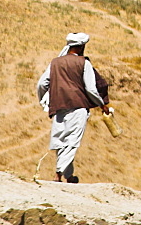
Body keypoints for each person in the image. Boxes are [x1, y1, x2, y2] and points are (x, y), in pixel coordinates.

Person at [36, 32, 109, 183]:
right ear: (82, 47)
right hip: (78, 106)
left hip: (59, 106)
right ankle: (58, 174)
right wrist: (102, 104)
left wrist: (44, 100)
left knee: (60, 140)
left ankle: (69, 176)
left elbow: (42, 84)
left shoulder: (55, 62)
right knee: (72, 141)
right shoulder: (84, 63)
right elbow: (90, 89)